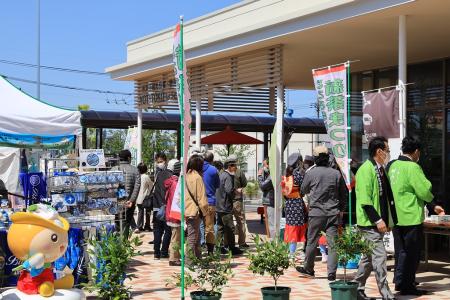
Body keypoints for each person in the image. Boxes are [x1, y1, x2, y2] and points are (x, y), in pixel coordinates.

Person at [388, 136, 445, 296]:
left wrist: (433, 205)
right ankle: (408, 285)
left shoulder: (392, 165)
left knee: (400, 251)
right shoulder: (413, 167)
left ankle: (400, 281)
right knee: (412, 253)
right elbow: (423, 190)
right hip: (410, 215)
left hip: (395, 216)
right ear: (416, 151)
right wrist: (433, 201)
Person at [354, 136, 397, 300]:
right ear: (379, 151)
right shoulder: (366, 170)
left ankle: (357, 288)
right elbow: (366, 201)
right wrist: (378, 220)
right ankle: (386, 294)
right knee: (380, 257)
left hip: (377, 222)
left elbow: (384, 198)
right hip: (369, 223)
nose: (388, 153)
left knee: (368, 259)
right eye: (387, 151)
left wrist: (388, 220)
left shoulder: (380, 169)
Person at [296, 145, 347, 282]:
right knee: (333, 244)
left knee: (312, 241)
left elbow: (302, 190)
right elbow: (344, 194)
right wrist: (340, 209)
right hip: (333, 214)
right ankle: (331, 273)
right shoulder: (336, 173)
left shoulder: (310, 173)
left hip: (316, 213)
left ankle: (309, 269)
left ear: (315, 159)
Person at [282, 152, 307, 261]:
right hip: (297, 204)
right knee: (299, 227)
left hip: (288, 204)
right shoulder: (299, 175)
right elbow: (304, 190)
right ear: (299, 162)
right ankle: (298, 252)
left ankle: (290, 252)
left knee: (290, 227)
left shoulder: (286, 175)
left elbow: (284, 192)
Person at [216, 155, 243, 255]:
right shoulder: (227, 176)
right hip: (225, 205)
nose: (236, 168)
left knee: (220, 227)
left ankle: (218, 247)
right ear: (230, 166)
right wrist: (237, 191)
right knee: (230, 227)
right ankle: (232, 248)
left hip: (219, 205)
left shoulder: (221, 175)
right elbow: (229, 190)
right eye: (235, 166)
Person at [185, 155, 209, 261]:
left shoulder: (186, 176)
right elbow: (202, 198)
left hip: (187, 210)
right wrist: (206, 213)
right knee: (192, 238)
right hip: (195, 211)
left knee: (196, 236)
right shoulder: (198, 178)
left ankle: (198, 258)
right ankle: (189, 261)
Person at [112, 150, 141, 239]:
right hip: (129, 203)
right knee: (126, 223)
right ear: (128, 158)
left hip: (116, 202)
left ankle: (116, 245)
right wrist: (131, 200)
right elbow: (137, 186)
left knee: (116, 222)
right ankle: (123, 245)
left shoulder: (113, 169)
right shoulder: (135, 170)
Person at [151, 153, 173, 260]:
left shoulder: (157, 174)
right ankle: (164, 252)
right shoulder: (169, 174)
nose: (159, 163)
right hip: (165, 206)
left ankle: (156, 253)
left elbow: (157, 191)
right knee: (167, 230)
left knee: (157, 230)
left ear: (165, 161)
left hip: (157, 206)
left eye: (160, 161)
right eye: (158, 161)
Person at [201, 151, 220, 254]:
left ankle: (199, 247)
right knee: (210, 227)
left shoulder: (197, 169)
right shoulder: (214, 170)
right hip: (210, 201)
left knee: (198, 226)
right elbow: (217, 185)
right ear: (212, 160)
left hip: (198, 202)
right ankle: (210, 251)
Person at [164, 159, 182, 267]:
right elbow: (178, 200)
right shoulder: (176, 183)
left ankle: (174, 256)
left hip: (170, 212)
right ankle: (174, 258)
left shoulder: (171, 181)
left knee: (174, 235)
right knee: (176, 237)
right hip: (175, 213)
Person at [258, 158, 275, 238]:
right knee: (269, 222)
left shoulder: (271, 176)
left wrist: (259, 176)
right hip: (268, 201)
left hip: (270, 201)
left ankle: (273, 242)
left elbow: (262, 186)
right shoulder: (270, 175)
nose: (263, 167)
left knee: (271, 223)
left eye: (264, 165)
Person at [233, 162, 248, 248]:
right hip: (237, 200)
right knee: (240, 221)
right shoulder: (239, 172)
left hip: (226, 201)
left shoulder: (223, 172)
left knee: (227, 222)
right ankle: (241, 242)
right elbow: (245, 183)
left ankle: (227, 243)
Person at [136, 163, 153, 233]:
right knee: (148, 212)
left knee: (140, 212)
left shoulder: (137, 176)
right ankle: (147, 226)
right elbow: (151, 186)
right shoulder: (146, 177)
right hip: (146, 198)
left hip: (138, 198)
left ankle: (139, 226)